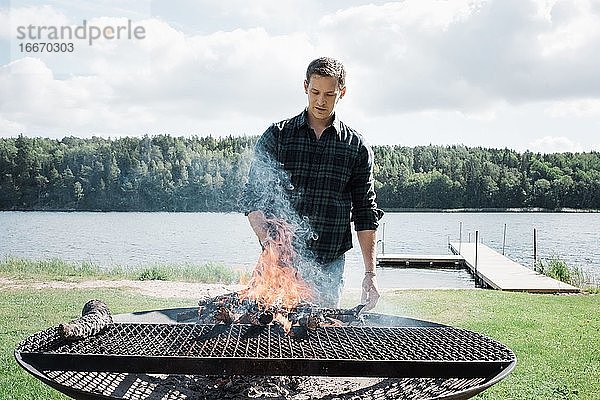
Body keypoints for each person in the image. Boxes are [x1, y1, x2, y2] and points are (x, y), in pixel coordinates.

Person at [243, 57, 383, 310]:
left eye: (329, 94)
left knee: (320, 338)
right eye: (315, 92)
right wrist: (271, 246)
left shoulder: (356, 147)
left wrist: (370, 274)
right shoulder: (277, 135)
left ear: (342, 92)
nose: (321, 101)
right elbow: (253, 198)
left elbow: (365, 212)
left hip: (329, 266)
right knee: (269, 338)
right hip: (280, 263)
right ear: (305, 86)